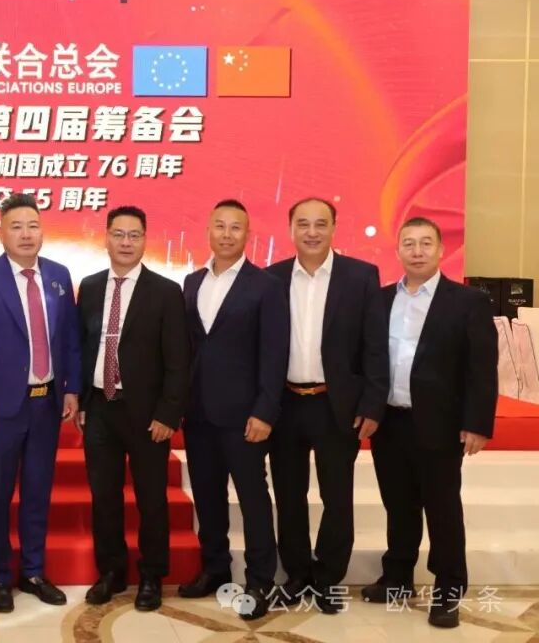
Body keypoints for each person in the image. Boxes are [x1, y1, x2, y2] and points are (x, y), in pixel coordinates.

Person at [360, 217, 498, 629]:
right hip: (389, 421)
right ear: (398, 251)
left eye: (425, 243)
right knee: (398, 504)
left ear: (441, 250)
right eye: (409, 243)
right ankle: (398, 577)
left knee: (442, 509)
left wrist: (477, 423)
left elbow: (481, 369)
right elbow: (368, 360)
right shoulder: (380, 300)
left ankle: (448, 589)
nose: (417, 251)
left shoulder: (468, 302)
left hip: (440, 423)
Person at [265, 197, 389, 613]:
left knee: (337, 496)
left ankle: (328, 576)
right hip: (285, 404)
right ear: (290, 229)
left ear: (334, 228)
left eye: (321, 223)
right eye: (303, 224)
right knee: (289, 494)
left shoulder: (360, 276)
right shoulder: (272, 278)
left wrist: (373, 404)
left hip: (337, 405)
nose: (312, 232)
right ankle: (297, 573)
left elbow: (375, 347)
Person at [0, 193, 81, 613]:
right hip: (1, 407)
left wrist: (71, 388)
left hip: (46, 404)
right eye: (16, 227)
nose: (26, 234)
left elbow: (70, 338)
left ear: (42, 231)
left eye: (33, 226)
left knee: (37, 490)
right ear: (1, 233)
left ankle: (33, 571)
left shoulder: (59, 275)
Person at [178, 199, 289, 621]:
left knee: (253, 499)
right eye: (220, 226)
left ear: (248, 235)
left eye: (235, 227)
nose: (227, 234)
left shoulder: (265, 285)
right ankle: (215, 568)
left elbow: (274, 353)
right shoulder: (192, 282)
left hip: (245, 416)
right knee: (208, 497)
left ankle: (260, 579)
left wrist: (265, 411)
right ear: (208, 230)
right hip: (199, 413)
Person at [78, 205, 190, 612]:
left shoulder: (165, 291)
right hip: (100, 408)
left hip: (147, 414)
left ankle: (151, 575)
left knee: (151, 499)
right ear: (106, 237)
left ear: (145, 239)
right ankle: (111, 571)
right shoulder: (90, 287)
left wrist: (168, 414)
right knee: (104, 496)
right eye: (119, 234)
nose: (126, 242)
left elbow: (178, 360)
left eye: (134, 235)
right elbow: (83, 347)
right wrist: (82, 400)